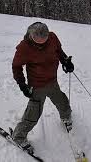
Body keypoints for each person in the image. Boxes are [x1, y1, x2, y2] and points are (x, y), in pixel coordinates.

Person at [11, 22, 74, 154]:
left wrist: (66, 61)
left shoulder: (52, 37)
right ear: (31, 36)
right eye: (38, 42)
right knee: (33, 113)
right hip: (37, 85)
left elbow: (59, 52)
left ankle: (66, 117)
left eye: (44, 41)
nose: (42, 44)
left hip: (52, 80)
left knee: (61, 101)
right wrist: (22, 84)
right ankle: (18, 136)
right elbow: (16, 67)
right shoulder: (24, 47)